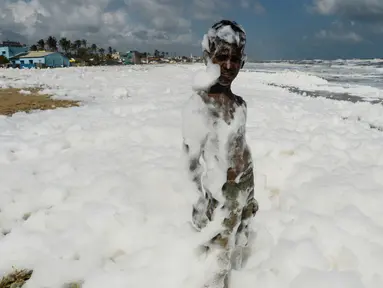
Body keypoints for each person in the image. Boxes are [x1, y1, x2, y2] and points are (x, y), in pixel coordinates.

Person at [182, 20, 259, 287]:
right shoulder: (199, 105)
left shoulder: (239, 104)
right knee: (218, 257)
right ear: (208, 57)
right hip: (219, 195)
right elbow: (190, 164)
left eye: (235, 59)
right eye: (222, 57)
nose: (228, 65)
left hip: (244, 187)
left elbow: (240, 146)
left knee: (241, 237)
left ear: (243, 62)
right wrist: (199, 204)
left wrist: (249, 192)